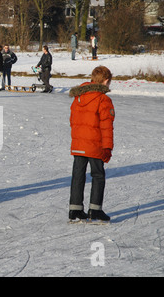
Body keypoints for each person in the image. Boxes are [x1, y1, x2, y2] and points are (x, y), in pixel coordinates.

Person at [68, 66, 115, 222]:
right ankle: (95, 210)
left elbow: (72, 121)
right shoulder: (103, 99)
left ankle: (75, 209)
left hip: (78, 144)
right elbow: (106, 127)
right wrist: (107, 148)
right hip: (95, 145)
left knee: (78, 176)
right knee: (98, 175)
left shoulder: (78, 97)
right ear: (106, 81)